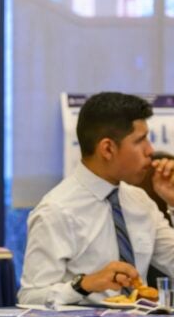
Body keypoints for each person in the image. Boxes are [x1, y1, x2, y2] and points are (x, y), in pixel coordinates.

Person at [18, 92, 174, 305]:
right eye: (140, 140)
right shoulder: (56, 210)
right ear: (108, 149)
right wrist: (85, 284)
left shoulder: (140, 201)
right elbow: (29, 298)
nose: (150, 150)